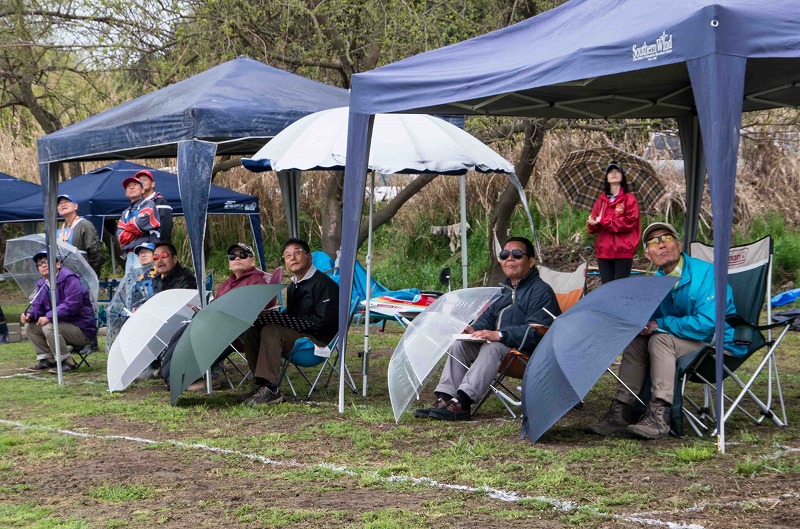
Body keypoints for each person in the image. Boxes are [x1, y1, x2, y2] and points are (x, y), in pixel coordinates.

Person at [587, 222, 747, 440]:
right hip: (681, 341)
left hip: (715, 342)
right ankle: (621, 411)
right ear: (648, 255)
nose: (661, 244)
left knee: (660, 339)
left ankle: (659, 415)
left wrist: (661, 325)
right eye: (653, 242)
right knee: (637, 341)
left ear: (679, 244)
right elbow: (652, 320)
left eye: (666, 238)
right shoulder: (656, 282)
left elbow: (709, 323)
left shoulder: (707, 273)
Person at [418, 236, 561, 421]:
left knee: (492, 347)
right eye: (505, 254)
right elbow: (488, 318)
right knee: (460, 345)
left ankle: (462, 402)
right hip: (504, 350)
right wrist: (472, 330)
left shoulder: (541, 291)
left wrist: (500, 334)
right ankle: (445, 398)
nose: (510, 258)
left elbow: (537, 332)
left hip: (528, 354)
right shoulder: (504, 291)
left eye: (517, 254)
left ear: (531, 261)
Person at [160, 242, 271, 391]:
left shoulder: (257, 281)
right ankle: (171, 377)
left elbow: (252, 309)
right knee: (181, 334)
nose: (237, 258)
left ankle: (182, 379)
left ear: (252, 261)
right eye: (232, 256)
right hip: (216, 325)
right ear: (229, 264)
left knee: (196, 338)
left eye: (243, 255)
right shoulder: (227, 284)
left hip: (236, 331)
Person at [240, 238, 338, 405]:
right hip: (298, 335)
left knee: (272, 330)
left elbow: (322, 323)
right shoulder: (294, 285)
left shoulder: (324, 284)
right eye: (287, 255)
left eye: (297, 253)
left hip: (317, 342)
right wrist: (275, 317)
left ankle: (271, 389)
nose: (292, 258)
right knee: (252, 328)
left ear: (309, 257)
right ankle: (260, 384)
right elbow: (293, 317)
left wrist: (283, 321)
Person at [21, 251, 96, 373]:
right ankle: (47, 359)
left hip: (81, 328)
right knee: (30, 326)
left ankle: (67, 361)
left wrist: (48, 316)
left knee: (49, 327)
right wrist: (30, 314)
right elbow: (37, 307)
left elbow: (72, 305)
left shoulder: (71, 280)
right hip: (59, 325)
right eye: (39, 263)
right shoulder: (42, 284)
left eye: (47, 261)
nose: (43, 265)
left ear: (58, 264)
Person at [587, 162, 641, 284]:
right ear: (606, 178)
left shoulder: (629, 199)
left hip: (623, 251)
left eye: (617, 171)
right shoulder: (600, 201)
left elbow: (629, 223)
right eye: (610, 172)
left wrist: (603, 221)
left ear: (622, 176)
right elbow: (592, 229)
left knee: (620, 288)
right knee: (606, 287)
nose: (614, 174)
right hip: (604, 252)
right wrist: (592, 223)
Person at [116, 176, 160, 275]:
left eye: (135, 185)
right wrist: (134, 226)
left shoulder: (149, 204)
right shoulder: (125, 212)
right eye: (128, 186)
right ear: (126, 193)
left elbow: (140, 224)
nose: (131, 187)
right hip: (129, 255)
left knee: (146, 282)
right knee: (130, 284)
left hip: (146, 253)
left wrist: (128, 227)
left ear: (142, 190)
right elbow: (120, 237)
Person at [56, 194, 104, 276]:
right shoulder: (59, 230)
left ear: (75, 206)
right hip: (64, 275)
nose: (63, 205)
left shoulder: (85, 224)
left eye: (66, 202)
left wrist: (92, 274)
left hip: (82, 275)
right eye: (60, 204)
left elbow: (95, 251)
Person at [134, 169, 173, 243]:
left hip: (157, 246)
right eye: (139, 181)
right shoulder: (137, 205)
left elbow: (166, 227)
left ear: (153, 184)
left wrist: (160, 246)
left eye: (144, 180)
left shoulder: (161, 202)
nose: (141, 182)